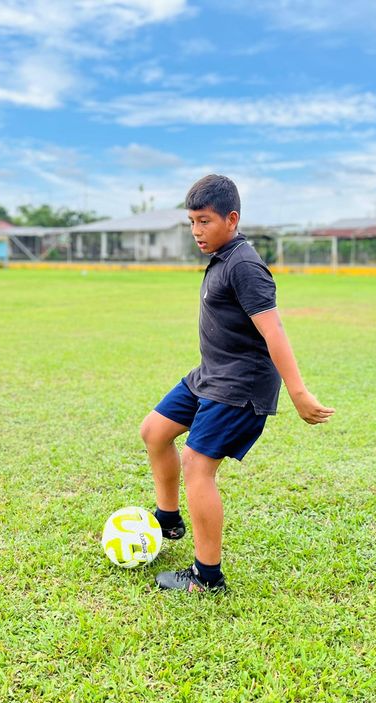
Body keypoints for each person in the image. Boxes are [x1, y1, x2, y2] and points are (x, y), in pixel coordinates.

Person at [140, 175, 335, 593]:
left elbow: (273, 330)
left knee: (197, 465)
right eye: (192, 221)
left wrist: (298, 392)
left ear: (231, 219)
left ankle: (206, 577)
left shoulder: (244, 265)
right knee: (154, 431)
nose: (196, 231)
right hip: (210, 373)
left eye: (205, 221)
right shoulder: (222, 256)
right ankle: (168, 520)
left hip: (240, 384)